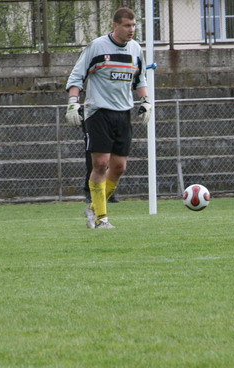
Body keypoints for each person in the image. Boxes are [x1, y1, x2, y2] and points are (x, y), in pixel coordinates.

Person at [65, 7, 151, 229]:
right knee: (100, 163)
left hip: (123, 113)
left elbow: (139, 79)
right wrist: (73, 103)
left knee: (119, 167)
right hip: (98, 112)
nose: (131, 30)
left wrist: (146, 101)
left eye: (133, 25)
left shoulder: (135, 50)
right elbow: (77, 75)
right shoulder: (97, 46)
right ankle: (102, 219)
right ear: (116, 26)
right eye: (127, 25)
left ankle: (93, 209)